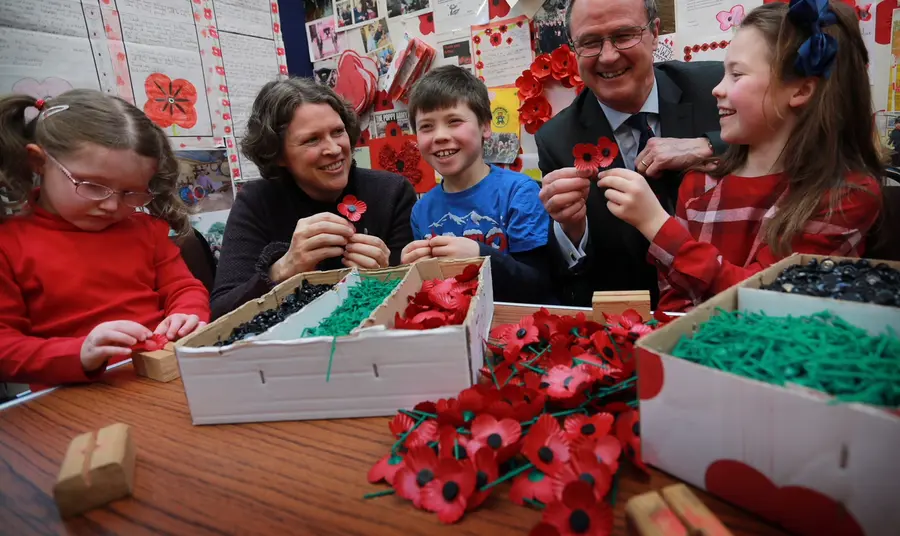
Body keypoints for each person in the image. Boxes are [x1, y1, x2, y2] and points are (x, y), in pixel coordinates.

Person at [598, 0, 883, 312]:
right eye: (724, 73)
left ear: (800, 91)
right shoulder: (698, 185)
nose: (717, 89)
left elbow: (772, 306)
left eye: (737, 74)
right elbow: (675, 305)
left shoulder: (844, 196)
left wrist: (657, 225)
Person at [0, 90, 210, 387]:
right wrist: (80, 353)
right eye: (92, 185)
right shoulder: (9, 244)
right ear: (38, 161)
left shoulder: (146, 229)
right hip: (74, 396)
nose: (111, 206)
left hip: (167, 376)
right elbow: (4, 347)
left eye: (130, 192)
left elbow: (184, 287)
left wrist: (187, 313)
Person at [537, 0, 724, 307]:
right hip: (635, 321)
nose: (608, 56)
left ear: (655, 33)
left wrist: (708, 146)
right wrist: (571, 231)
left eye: (624, 35)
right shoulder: (557, 139)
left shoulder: (713, 88)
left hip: (729, 305)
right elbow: (571, 276)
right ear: (574, 50)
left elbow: (795, 138)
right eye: (590, 42)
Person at [211, 78, 416, 318]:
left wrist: (386, 276)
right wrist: (283, 270)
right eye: (312, 139)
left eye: (338, 132)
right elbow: (221, 311)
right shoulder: (256, 202)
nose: (334, 149)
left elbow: (417, 295)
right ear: (277, 154)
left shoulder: (392, 192)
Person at [400, 66, 553, 303]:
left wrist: (481, 255)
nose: (439, 135)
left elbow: (539, 285)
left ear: (485, 126)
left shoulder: (520, 193)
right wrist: (412, 272)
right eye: (426, 126)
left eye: (454, 121)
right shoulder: (421, 210)